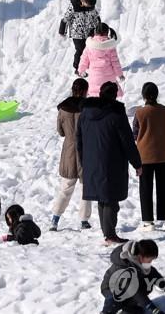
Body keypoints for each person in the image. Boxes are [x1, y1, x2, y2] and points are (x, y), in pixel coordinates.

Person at [77, 82, 142, 245]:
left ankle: (107, 233)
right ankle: (110, 235)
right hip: (112, 162)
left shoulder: (85, 113)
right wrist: (137, 163)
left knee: (101, 198)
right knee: (111, 199)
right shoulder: (116, 114)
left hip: (91, 162)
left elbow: (79, 138)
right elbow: (127, 141)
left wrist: (84, 160)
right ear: (114, 95)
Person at [50, 78, 92, 232]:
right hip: (85, 151)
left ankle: (55, 218)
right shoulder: (87, 108)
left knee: (66, 187)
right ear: (85, 91)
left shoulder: (63, 109)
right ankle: (84, 220)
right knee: (86, 187)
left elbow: (60, 132)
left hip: (68, 151)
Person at [133, 83, 165, 231]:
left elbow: (135, 134)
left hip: (144, 155)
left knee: (145, 188)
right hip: (163, 154)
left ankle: (148, 221)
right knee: (164, 187)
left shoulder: (140, 113)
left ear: (143, 96)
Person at [100, 239, 165, 313]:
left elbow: (154, 275)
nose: (150, 262)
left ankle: (129, 307)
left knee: (147, 285)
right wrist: (151, 307)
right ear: (141, 256)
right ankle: (107, 311)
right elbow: (132, 289)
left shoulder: (140, 262)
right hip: (111, 288)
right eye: (150, 259)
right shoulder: (123, 266)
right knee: (116, 298)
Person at [78, 23, 125, 97]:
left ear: (95, 31)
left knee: (95, 95)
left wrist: (81, 70)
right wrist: (120, 74)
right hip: (109, 78)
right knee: (109, 94)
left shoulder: (90, 46)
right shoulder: (110, 46)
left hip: (94, 77)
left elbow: (83, 59)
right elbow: (115, 63)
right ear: (107, 32)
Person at [59, 0, 100, 74]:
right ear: (82, 0)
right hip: (77, 34)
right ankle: (78, 68)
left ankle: (88, 64)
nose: (89, 7)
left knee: (90, 49)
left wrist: (99, 26)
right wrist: (62, 30)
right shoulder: (74, 7)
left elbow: (96, 16)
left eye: (91, 6)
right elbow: (66, 18)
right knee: (80, 50)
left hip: (89, 32)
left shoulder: (91, 6)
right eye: (88, 5)